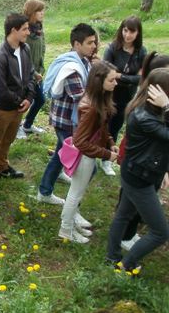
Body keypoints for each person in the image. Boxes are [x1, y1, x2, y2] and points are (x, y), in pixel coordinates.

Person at [106, 68, 169, 273]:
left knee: (123, 215)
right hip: (139, 178)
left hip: (137, 172)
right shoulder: (146, 118)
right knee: (160, 231)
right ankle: (126, 265)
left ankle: (111, 257)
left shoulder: (146, 110)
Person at [37, 23, 97, 205]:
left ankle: (45, 190)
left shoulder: (83, 61)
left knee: (60, 153)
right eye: (89, 43)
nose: (94, 46)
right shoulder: (72, 68)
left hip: (69, 120)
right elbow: (82, 98)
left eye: (94, 42)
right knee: (83, 165)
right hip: (66, 122)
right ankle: (70, 204)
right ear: (76, 44)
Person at [59, 61, 118, 243]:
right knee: (75, 192)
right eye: (112, 80)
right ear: (99, 80)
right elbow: (80, 141)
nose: (115, 83)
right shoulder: (91, 107)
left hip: (90, 154)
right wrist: (107, 154)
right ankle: (65, 230)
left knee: (78, 191)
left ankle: (70, 225)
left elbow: (101, 127)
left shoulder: (98, 99)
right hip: (85, 156)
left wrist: (110, 142)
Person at [0, 13, 35, 187]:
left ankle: (3, 167)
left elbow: (31, 75)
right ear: (13, 30)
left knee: (8, 139)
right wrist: (21, 101)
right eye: (25, 29)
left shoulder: (25, 49)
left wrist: (29, 98)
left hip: (19, 108)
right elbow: (1, 88)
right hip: (3, 109)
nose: (28, 32)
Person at [102, 16, 147, 176]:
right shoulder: (112, 48)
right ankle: (90, 153)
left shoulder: (141, 51)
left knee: (115, 127)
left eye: (132, 31)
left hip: (126, 98)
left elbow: (141, 78)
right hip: (108, 95)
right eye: (125, 30)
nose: (127, 35)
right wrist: (127, 78)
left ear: (138, 33)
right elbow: (105, 71)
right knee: (101, 125)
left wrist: (120, 77)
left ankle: (107, 160)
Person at [18, 0, 47, 139]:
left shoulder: (40, 28)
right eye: (39, 11)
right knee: (22, 100)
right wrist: (34, 73)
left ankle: (27, 125)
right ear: (31, 12)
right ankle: (17, 127)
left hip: (37, 73)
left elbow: (42, 48)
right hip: (25, 74)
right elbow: (23, 55)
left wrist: (41, 69)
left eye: (43, 10)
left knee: (40, 99)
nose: (42, 13)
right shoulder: (25, 30)